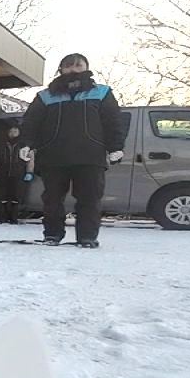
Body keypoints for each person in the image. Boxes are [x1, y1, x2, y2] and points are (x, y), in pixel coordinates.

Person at [19, 53, 127, 248]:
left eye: (78, 65)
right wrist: (26, 143)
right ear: (61, 69)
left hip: (90, 156)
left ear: (86, 68)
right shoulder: (45, 96)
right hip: (53, 156)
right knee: (52, 200)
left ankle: (87, 237)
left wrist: (116, 147)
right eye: (68, 66)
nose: (73, 70)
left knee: (90, 199)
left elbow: (113, 122)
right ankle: (52, 235)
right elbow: (31, 123)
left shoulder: (101, 93)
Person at [0, 125, 26, 224]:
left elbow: (29, 159)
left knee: (16, 197)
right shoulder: (1, 145)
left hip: (18, 174)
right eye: (11, 131)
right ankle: (2, 217)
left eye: (15, 131)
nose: (13, 133)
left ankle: (14, 218)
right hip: (2, 173)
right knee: (2, 196)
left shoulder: (23, 145)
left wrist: (30, 172)